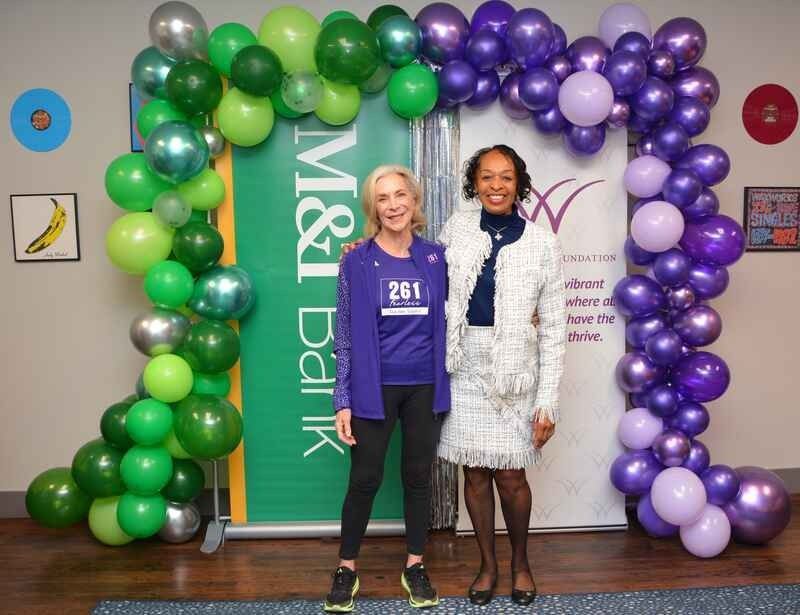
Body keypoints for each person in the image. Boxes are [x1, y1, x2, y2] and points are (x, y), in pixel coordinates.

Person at [437, 144, 566, 606]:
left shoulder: (542, 243)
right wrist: (363, 248)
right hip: (464, 366)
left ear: (519, 184)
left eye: (506, 177)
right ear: (475, 183)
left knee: (511, 476)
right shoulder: (456, 229)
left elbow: (554, 328)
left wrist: (547, 402)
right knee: (474, 474)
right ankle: (487, 566)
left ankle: (521, 564)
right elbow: (421, 272)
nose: (496, 186)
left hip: (514, 371)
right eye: (487, 176)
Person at [325, 165, 450, 612]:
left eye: (401, 195)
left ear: (414, 201)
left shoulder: (437, 258)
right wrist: (342, 398)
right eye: (383, 198)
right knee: (364, 479)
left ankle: (415, 564)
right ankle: (346, 568)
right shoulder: (356, 261)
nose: (393, 205)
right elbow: (344, 332)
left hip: (425, 387)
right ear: (373, 208)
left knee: (417, 478)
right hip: (372, 389)